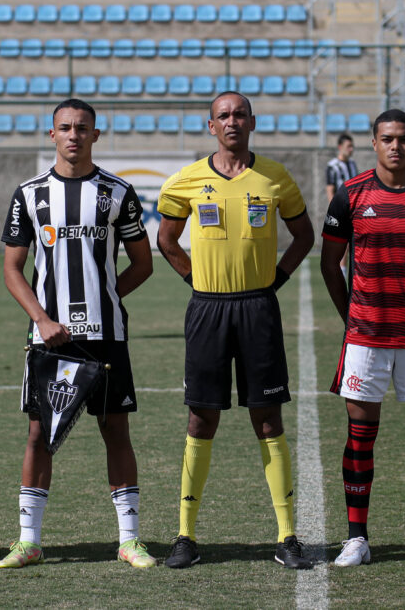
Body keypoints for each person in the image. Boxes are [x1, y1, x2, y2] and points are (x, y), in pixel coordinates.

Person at [156, 92, 315, 570]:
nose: (232, 122)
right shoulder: (186, 180)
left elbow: (304, 235)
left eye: (239, 115)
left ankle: (287, 535)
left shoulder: (274, 177)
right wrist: (193, 279)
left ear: (252, 122)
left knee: (267, 419)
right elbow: (165, 238)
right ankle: (185, 535)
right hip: (207, 309)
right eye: (223, 116)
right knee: (201, 419)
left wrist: (276, 281)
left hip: (258, 309)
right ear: (211, 126)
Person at [0, 99, 156, 570]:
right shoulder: (29, 194)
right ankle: (29, 540)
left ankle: (129, 540)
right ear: (52, 135)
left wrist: (108, 295)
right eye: (64, 128)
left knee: (116, 430)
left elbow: (143, 263)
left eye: (82, 128)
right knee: (38, 435)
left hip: (105, 336)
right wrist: (43, 320)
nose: (73, 135)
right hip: (48, 338)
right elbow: (11, 269)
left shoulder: (118, 192)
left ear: (95, 135)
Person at [320, 109, 405, 567]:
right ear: (373, 143)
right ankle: (356, 538)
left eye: (403, 138)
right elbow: (330, 264)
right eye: (387, 138)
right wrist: (351, 319)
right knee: (360, 436)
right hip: (366, 340)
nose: (395, 146)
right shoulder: (350, 195)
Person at [325, 133, 358, 206]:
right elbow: (330, 190)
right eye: (348, 146)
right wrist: (334, 209)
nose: (351, 149)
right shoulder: (332, 166)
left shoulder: (352, 164)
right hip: (340, 207)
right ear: (340, 147)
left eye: (352, 146)